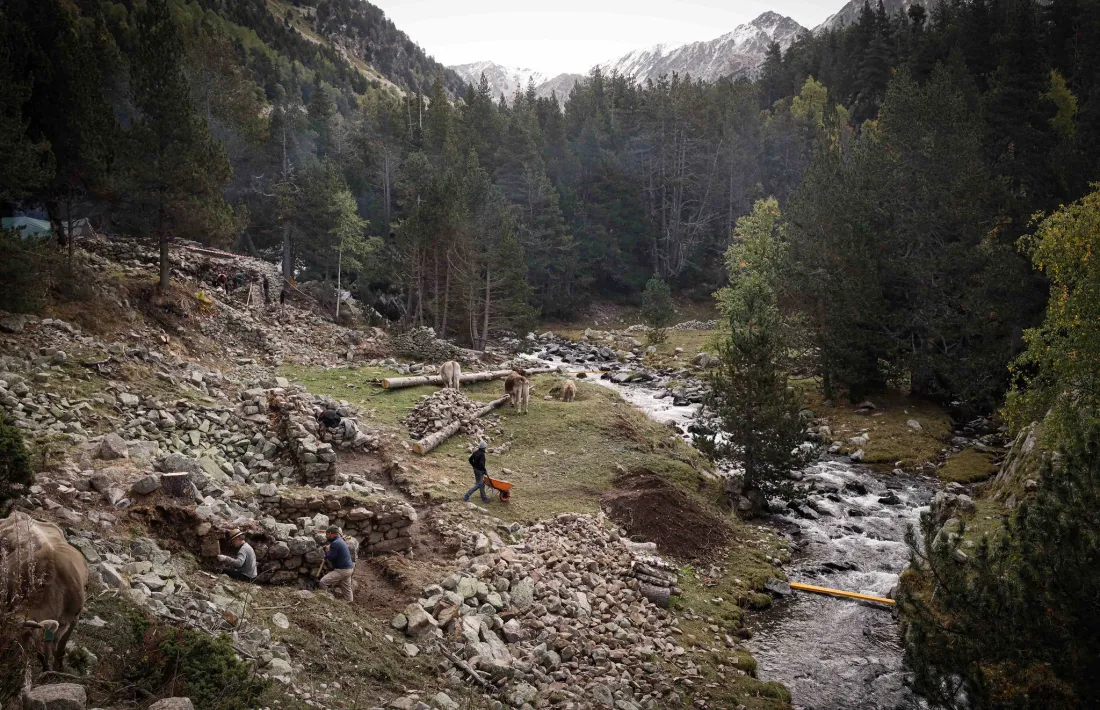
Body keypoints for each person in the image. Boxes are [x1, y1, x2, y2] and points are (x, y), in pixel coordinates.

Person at [319, 526, 355, 601]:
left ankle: (327, 600)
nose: (326, 537)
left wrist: (326, 550)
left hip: (342, 570)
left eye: (327, 535)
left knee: (323, 582)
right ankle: (350, 603)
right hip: (349, 569)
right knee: (347, 589)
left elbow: (330, 557)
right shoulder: (340, 541)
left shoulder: (335, 543)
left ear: (331, 534)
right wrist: (330, 548)